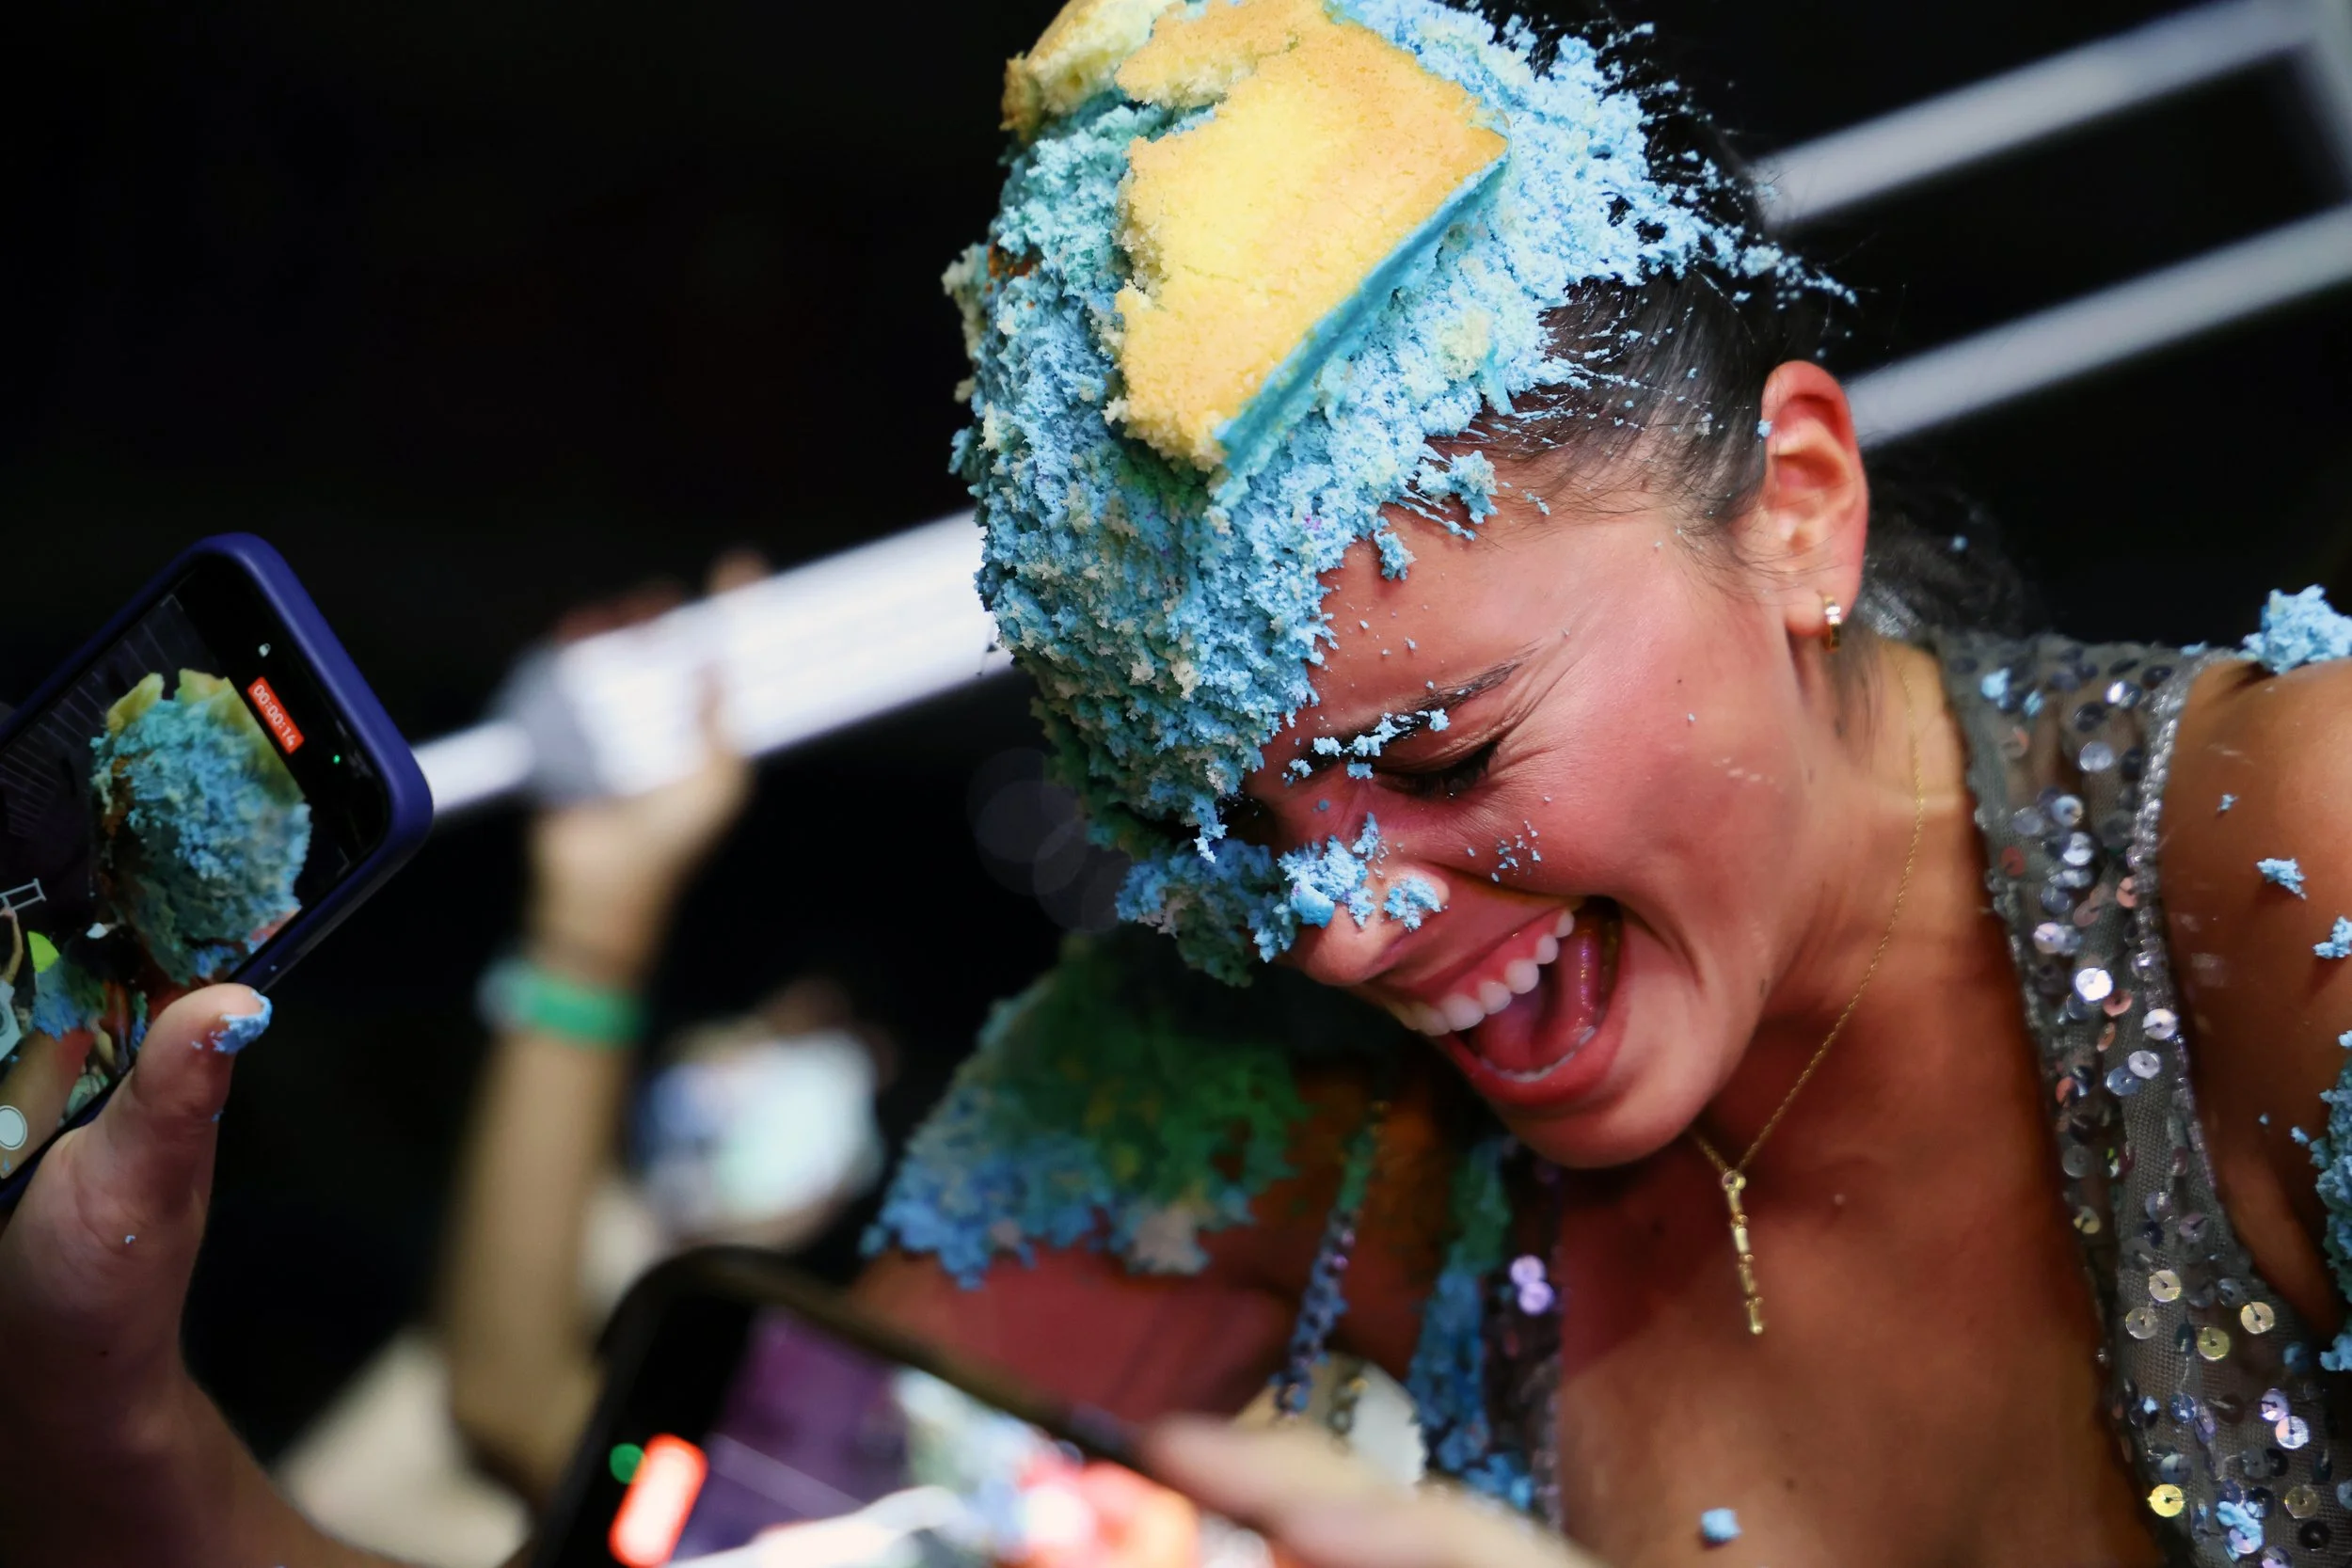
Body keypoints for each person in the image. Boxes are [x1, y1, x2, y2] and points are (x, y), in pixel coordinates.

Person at [3, 3, 2347, 1567]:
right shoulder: (1186, 1099)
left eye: (1440, 753)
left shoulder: (2289, 876)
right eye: (1221, 822)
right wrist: (101, 1401)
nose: (1334, 928)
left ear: (1799, 509)